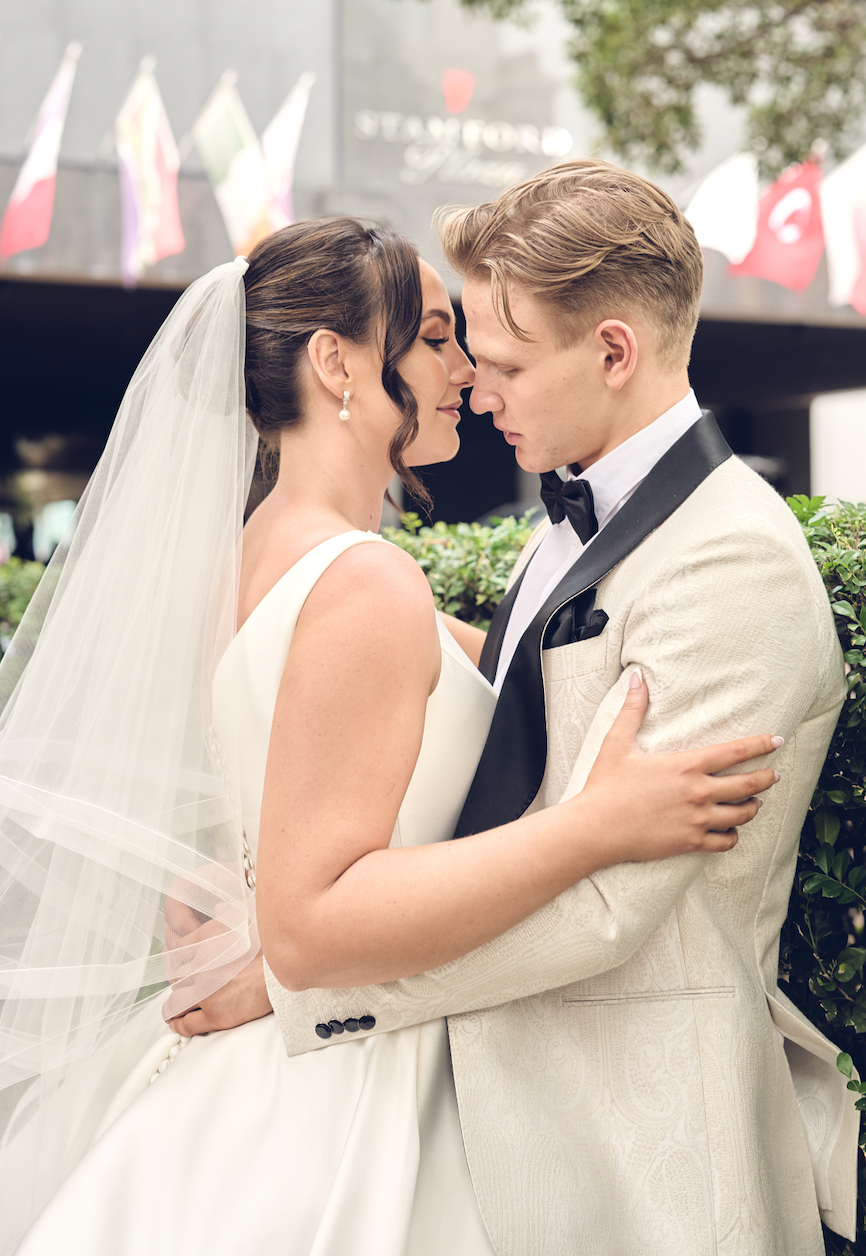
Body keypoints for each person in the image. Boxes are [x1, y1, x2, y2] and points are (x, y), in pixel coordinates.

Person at [0, 217, 779, 1256]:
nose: (465, 370)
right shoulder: (363, 583)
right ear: (336, 359)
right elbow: (310, 922)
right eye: (436, 337)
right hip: (349, 1091)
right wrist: (598, 825)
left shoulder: (258, 556)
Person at [262, 165, 857, 1256]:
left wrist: (304, 985)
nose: (475, 393)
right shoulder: (563, 528)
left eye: (505, 365)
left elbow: (605, 910)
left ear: (615, 351)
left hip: (648, 1154)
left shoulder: (735, 561)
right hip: (502, 1126)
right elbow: (533, 717)